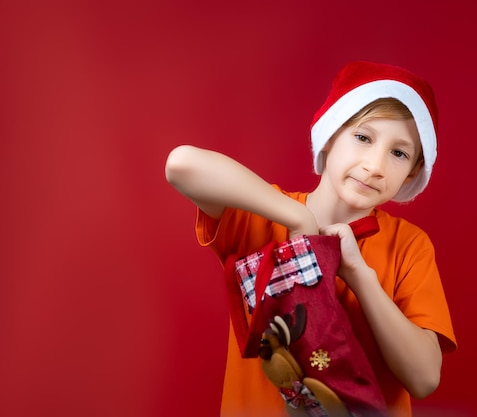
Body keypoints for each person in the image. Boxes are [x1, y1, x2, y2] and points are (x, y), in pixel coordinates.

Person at [165, 61, 457, 417]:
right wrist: (297, 218)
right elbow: (181, 164)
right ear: (331, 134)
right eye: (363, 137)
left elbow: (425, 378)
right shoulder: (264, 215)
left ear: (412, 171)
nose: (375, 165)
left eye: (399, 153)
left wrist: (359, 276)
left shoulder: (409, 245)